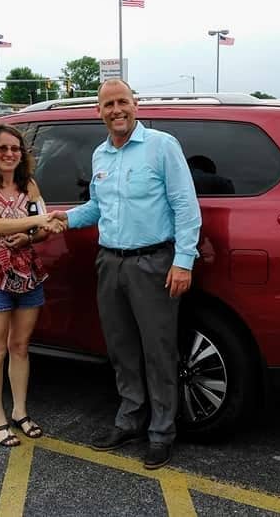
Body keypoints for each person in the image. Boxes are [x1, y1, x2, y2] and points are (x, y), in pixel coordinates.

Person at [49, 79, 202, 470]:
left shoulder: (161, 147)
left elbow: (185, 206)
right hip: (110, 262)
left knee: (159, 351)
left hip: (153, 263)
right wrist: (65, 219)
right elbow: (97, 207)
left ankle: (161, 432)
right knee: (121, 348)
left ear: (135, 104)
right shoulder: (101, 155)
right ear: (98, 112)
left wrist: (183, 260)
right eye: (107, 105)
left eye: (122, 102)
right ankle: (130, 419)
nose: (116, 110)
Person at [0, 124, 59, 448]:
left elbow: (44, 230)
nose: (9, 154)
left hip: (27, 274)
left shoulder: (28, 185)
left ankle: (20, 412)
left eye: (15, 149)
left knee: (20, 347)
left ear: (23, 154)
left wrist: (32, 234)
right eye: (2, 149)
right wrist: (38, 221)